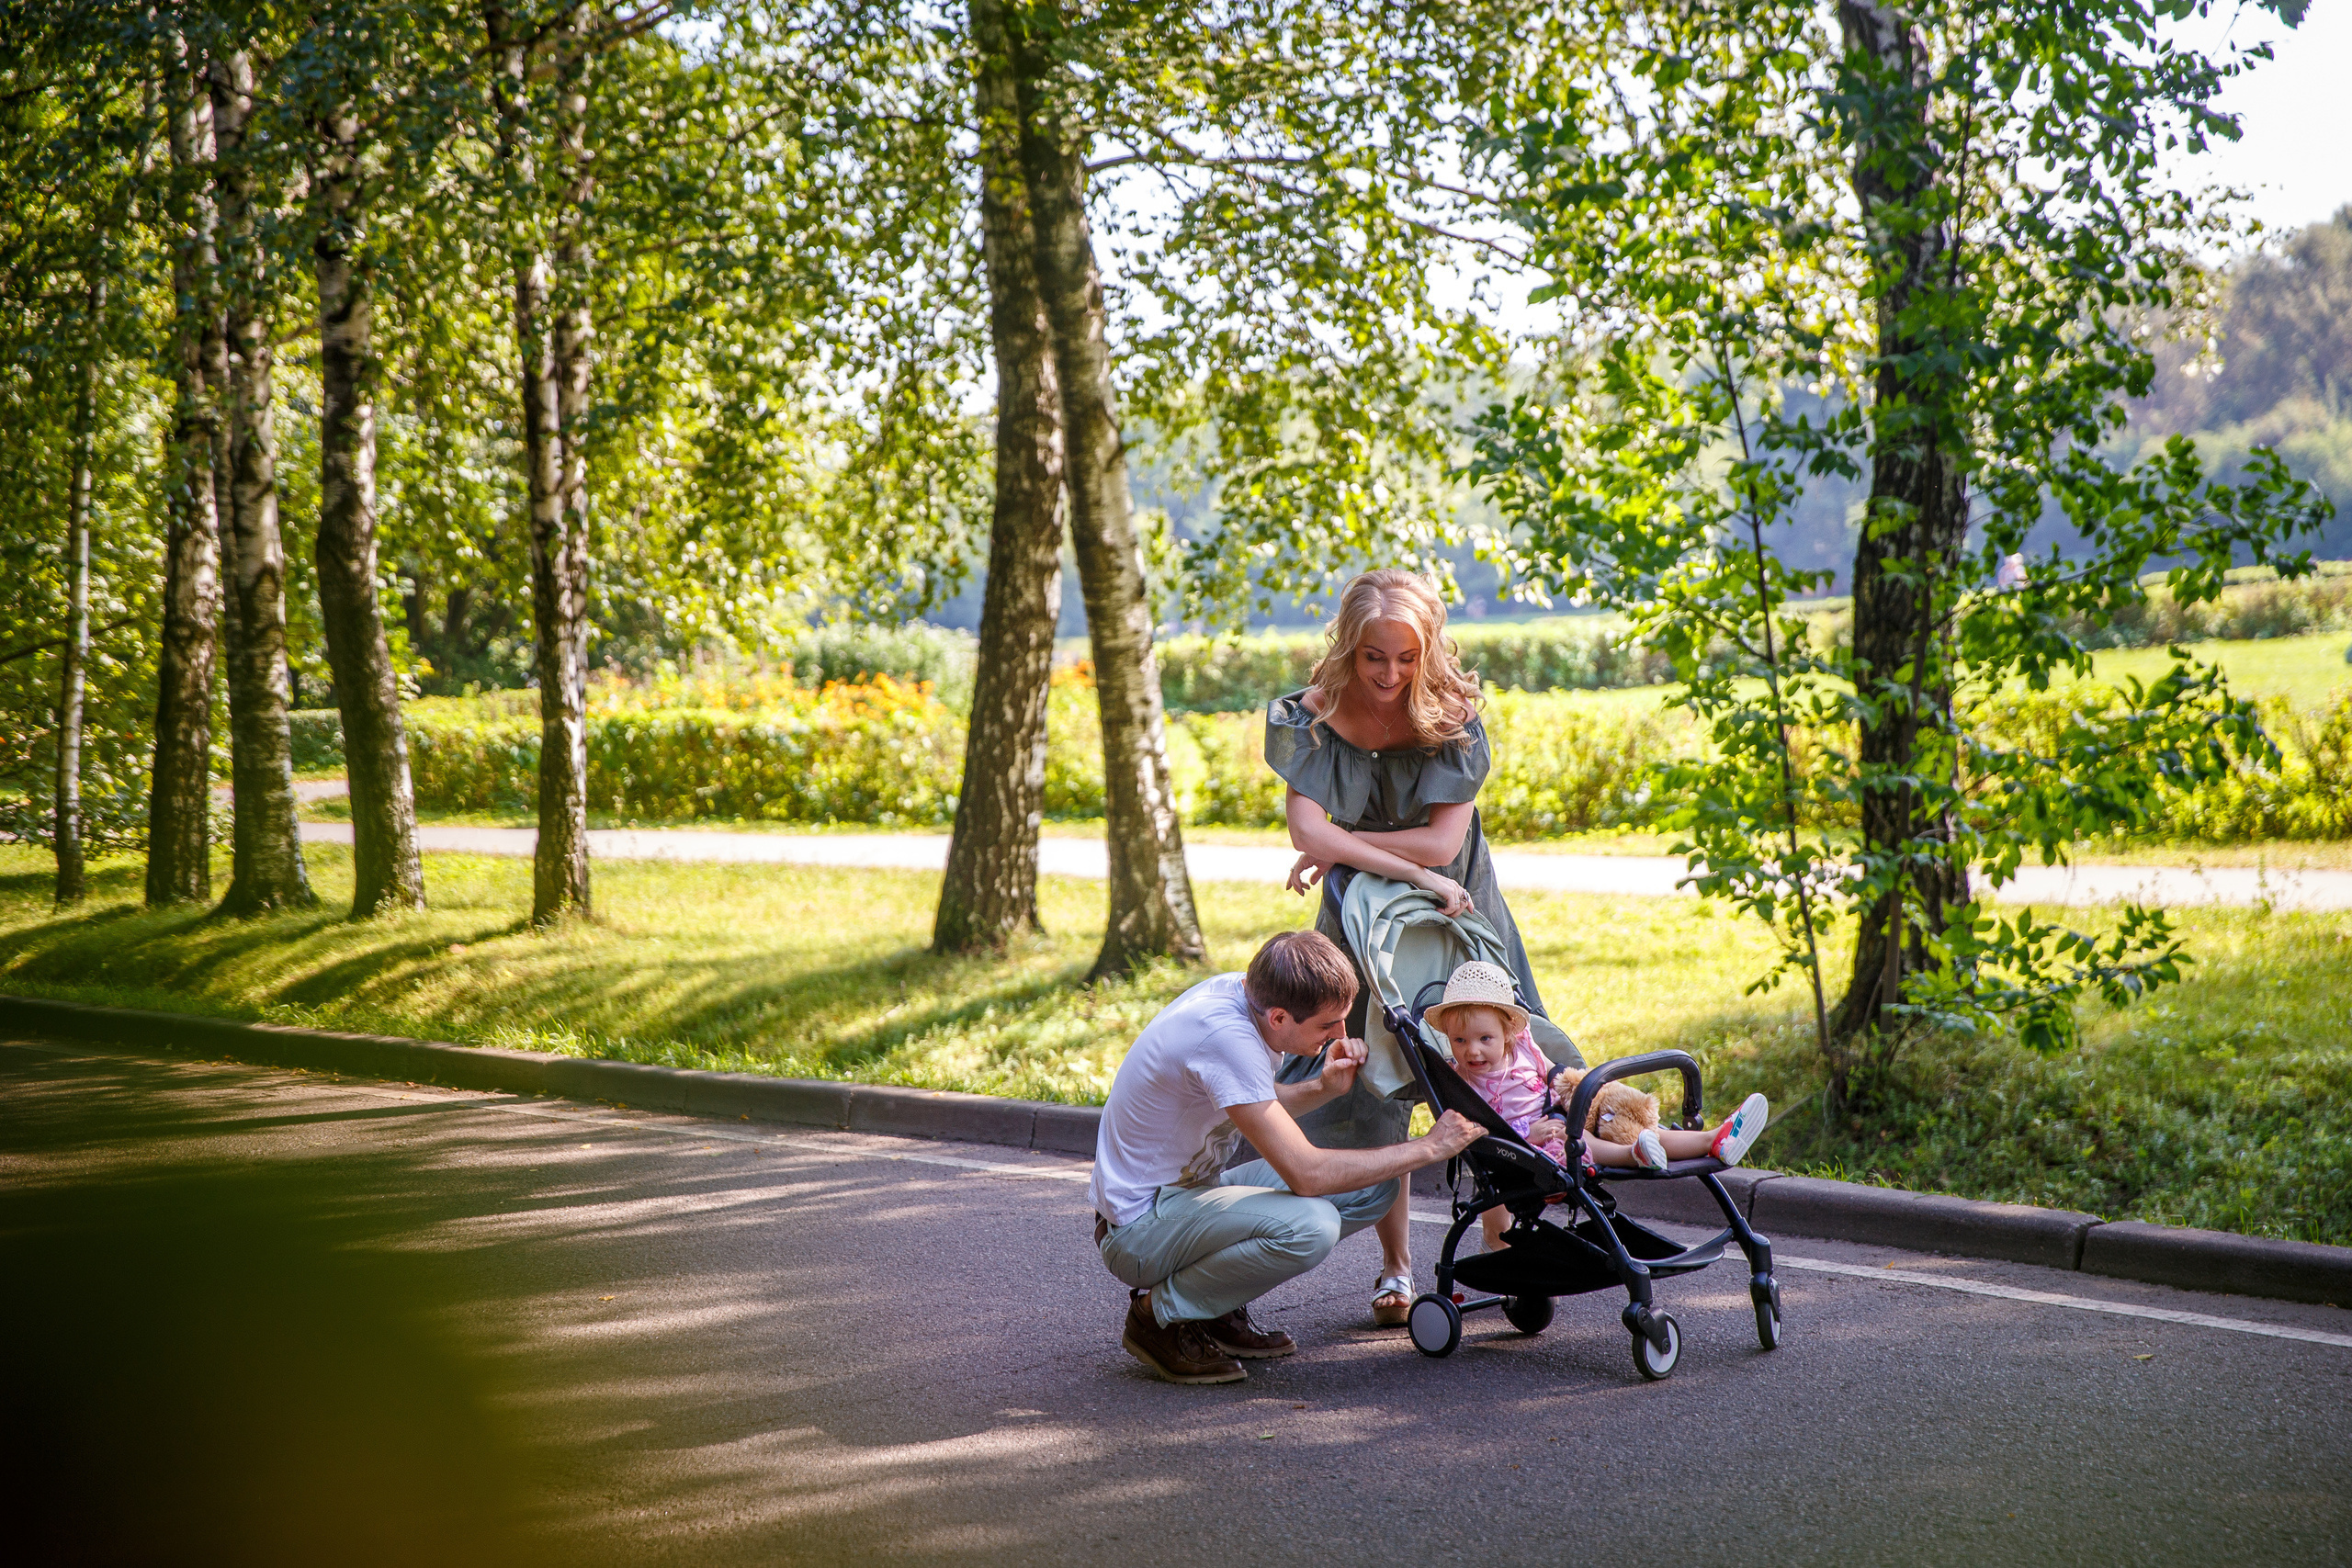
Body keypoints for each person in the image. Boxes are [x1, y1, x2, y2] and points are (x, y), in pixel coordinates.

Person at [1264, 567, 1576, 1327]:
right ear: (1349, 646)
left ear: (1429, 649)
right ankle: (1397, 1267)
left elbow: (1443, 843)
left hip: (1457, 915)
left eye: (1407, 657)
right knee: (1373, 1082)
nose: (1390, 674)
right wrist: (1357, 856)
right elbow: (1307, 833)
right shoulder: (1307, 721)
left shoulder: (1453, 717)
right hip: (1362, 925)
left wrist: (1345, 846)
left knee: (1487, 1066)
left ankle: (1504, 1249)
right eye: (1375, 656)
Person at [1090, 931, 1487, 1385]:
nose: (1342, 1034)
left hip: (1187, 1197)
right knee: (1310, 1226)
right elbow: (1308, 1176)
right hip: (1137, 1231)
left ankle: (1211, 1304)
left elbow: (1250, 1098)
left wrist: (1322, 1087)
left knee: (1378, 1185)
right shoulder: (1226, 1037)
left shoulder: (1245, 997)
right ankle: (1157, 1317)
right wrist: (1429, 1147)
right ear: (1279, 1017)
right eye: (1327, 1025)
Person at [1425, 961, 1770, 1252]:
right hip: (1524, 1147)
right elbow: (1474, 1130)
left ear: (1508, 1033)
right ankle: (1634, 1154)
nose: (1473, 1051)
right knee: (1576, 1145)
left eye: (1485, 1039)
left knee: (1625, 1122)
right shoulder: (1463, 1081)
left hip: (1562, 1116)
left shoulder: (1525, 1050)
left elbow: (1555, 1075)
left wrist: (1586, 1095)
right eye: (1460, 1040)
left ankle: (1715, 1139)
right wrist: (1529, 1134)